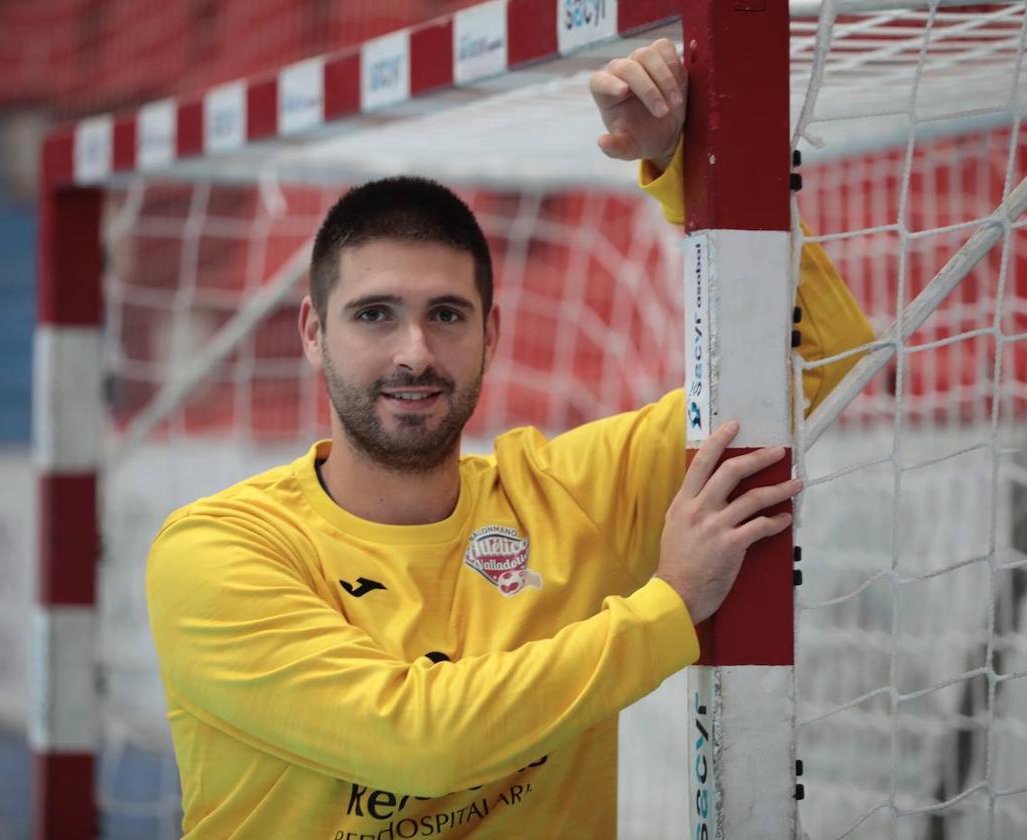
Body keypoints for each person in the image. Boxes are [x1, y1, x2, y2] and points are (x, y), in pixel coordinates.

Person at [146, 39, 874, 839]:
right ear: (314, 333)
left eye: (446, 315)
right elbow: (416, 744)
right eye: (375, 314)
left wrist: (687, 165)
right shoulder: (217, 552)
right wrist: (668, 607)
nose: (415, 351)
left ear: (491, 334)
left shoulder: (565, 498)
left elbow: (814, 362)